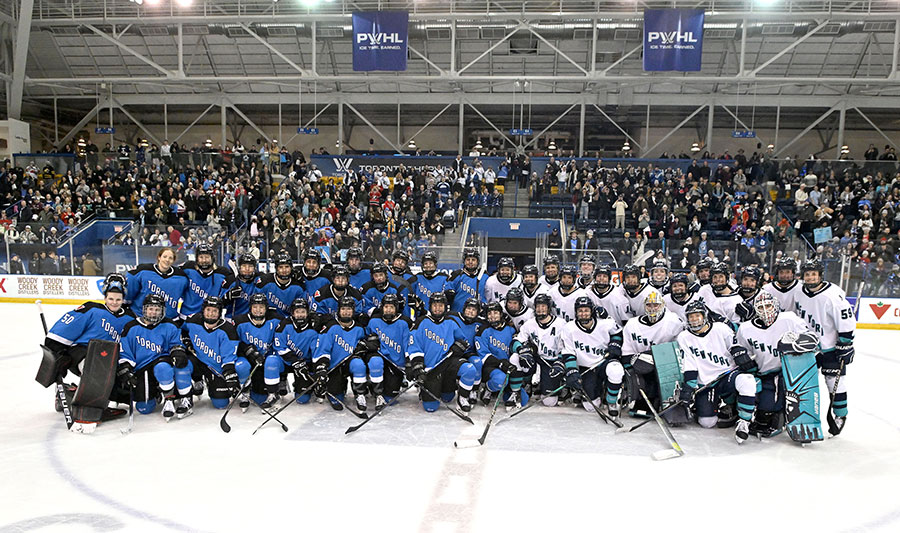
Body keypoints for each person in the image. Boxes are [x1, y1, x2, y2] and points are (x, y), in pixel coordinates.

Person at [678, 301, 759, 444]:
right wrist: (689, 387)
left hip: (727, 375)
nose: (694, 319)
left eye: (697, 315)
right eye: (691, 317)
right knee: (707, 422)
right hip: (707, 383)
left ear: (705, 316)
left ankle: (744, 421)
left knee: (747, 381)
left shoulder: (721, 329)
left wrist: (738, 351)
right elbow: (689, 363)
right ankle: (717, 404)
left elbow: (735, 344)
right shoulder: (684, 337)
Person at [792, 258, 855, 434]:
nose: (810, 278)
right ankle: (801, 416)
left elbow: (846, 320)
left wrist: (846, 343)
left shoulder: (833, 294)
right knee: (802, 384)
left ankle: (840, 414)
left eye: (814, 274)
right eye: (807, 275)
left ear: (820, 275)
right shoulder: (799, 292)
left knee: (834, 382)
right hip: (806, 347)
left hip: (829, 348)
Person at [735, 291, 811, 438]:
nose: (765, 311)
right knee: (763, 405)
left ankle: (780, 417)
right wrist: (743, 358)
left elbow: (809, 337)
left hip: (787, 372)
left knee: (775, 403)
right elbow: (740, 348)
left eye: (768, 306)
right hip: (763, 372)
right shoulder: (746, 328)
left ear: (775, 306)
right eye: (761, 308)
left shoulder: (789, 319)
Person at [116, 294, 189, 420]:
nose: (153, 312)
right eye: (151, 309)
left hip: (162, 363)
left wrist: (178, 352)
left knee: (163, 368)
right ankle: (156, 393)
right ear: (144, 309)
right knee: (144, 408)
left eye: (157, 309)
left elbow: (176, 344)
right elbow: (125, 351)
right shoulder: (131, 327)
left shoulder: (170, 325)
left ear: (163, 311)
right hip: (142, 368)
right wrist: (126, 368)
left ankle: (169, 398)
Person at [180, 297, 252, 415]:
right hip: (198, 360)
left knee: (220, 404)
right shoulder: (193, 320)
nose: (211, 313)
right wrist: (186, 339)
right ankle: (187, 398)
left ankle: (246, 389)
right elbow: (182, 330)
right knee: (182, 364)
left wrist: (231, 377)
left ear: (220, 313)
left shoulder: (228, 329)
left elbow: (228, 358)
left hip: (215, 366)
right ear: (203, 310)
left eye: (215, 311)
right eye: (208, 310)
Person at [406, 292, 476, 412]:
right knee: (430, 407)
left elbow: (464, 341)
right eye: (435, 305)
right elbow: (414, 346)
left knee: (469, 370)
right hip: (431, 369)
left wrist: (458, 346)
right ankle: (424, 391)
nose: (438, 308)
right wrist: (417, 368)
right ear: (430, 306)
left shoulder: (451, 322)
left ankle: (463, 398)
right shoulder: (421, 322)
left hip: (447, 364)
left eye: (440, 305)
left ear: (445, 307)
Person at [620, 290, 684, 417]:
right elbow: (626, 354)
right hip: (640, 363)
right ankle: (640, 402)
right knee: (640, 372)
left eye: (656, 305)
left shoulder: (674, 322)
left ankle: (664, 402)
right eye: (649, 305)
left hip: (665, 364)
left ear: (663, 305)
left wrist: (653, 355)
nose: (652, 308)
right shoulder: (632, 324)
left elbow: (678, 350)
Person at [559, 297, 624, 420]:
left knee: (616, 370)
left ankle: (611, 401)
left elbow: (617, 333)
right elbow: (568, 352)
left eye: (586, 310)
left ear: (592, 311)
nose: (583, 314)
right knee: (591, 406)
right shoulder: (569, 328)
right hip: (586, 368)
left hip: (604, 362)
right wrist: (572, 371)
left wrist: (615, 345)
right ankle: (597, 390)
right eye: (580, 311)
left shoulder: (605, 322)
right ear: (576, 312)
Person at [312, 296, 371, 411]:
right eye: (343, 309)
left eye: (349, 309)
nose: (346, 312)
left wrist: (365, 345)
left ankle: (360, 394)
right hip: (334, 367)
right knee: (337, 397)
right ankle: (339, 388)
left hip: (350, 364)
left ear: (353, 311)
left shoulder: (359, 328)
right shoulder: (330, 327)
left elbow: (367, 344)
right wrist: (322, 368)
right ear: (338, 310)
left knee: (358, 364)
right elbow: (323, 349)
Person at [511, 293, 565, 407]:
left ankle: (553, 383)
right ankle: (521, 386)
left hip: (551, 362)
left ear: (549, 308)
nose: (540, 309)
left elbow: (566, 348)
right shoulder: (530, 323)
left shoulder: (560, 324)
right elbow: (515, 341)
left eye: (543, 306)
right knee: (515, 358)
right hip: (535, 359)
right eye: (538, 306)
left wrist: (560, 361)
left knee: (549, 402)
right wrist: (521, 350)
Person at [235, 293, 284, 408]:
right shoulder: (239, 322)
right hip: (249, 361)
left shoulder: (276, 320)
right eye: (255, 307)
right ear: (250, 308)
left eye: (261, 307)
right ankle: (245, 392)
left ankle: (273, 393)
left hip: (266, 362)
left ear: (266, 308)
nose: (258, 310)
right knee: (240, 365)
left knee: (271, 361)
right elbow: (232, 341)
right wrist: (246, 349)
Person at [365, 294, 413, 408]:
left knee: (390, 399)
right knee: (375, 362)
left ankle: (384, 389)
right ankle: (377, 393)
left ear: (396, 308)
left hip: (396, 364)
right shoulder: (374, 321)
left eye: (391, 307)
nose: (388, 310)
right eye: (386, 307)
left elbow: (409, 344)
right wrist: (369, 342)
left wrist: (409, 362)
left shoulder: (404, 322)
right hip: (379, 357)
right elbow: (365, 338)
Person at [273, 299, 321, 405]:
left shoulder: (313, 328)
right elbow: (279, 346)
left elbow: (315, 351)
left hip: (303, 364)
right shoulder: (284, 324)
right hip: (286, 361)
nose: (300, 315)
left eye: (303, 312)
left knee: (302, 399)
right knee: (271, 362)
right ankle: (274, 390)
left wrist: (314, 371)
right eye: (297, 312)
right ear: (293, 313)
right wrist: (295, 360)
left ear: (307, 313)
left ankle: (302, 384)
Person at [475, 302, 522, 406]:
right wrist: (501, 363)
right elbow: (484, 355)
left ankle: (510, 391)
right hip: (491, 367)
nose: (492, 316)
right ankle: (488, 389)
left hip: (508, 366)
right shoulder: (483, 331)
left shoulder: (511, 329)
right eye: (489, 313)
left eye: (495, 313)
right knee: (500, 380)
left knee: (523, 399)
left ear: (501, 314)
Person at [125, 247, 189, 320]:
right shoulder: (143, 270)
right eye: (164, 257)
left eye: (170, 258)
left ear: (173, 261)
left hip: (168, 320)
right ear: (159, 257)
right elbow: (131, 287)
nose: (167, 260)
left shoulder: (181, 277)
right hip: (141, 317)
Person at [179, 243, 236, 320]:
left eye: (207, 257)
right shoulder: (187, 268)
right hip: (186, 318)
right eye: (201, 257)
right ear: (196, 259)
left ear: (212, 258)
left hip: (211, 319)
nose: (204, 260)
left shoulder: (223, 273)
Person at [256, 251, 305, 317]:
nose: (284, 270)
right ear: (276, 268)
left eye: (287, 267)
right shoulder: (265, 281)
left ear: (291, 268)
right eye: (281, 267)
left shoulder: (298, 286)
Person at [447, 248, 487, 314]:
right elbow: (447, 291)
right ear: (464, 261)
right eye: (468, 260)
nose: (470, 262)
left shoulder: (485, 276)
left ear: (477, 262)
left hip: (478, 316)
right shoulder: (456, 275)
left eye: (473, 260)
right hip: (457, 315)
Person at [227, 253, 262, 317]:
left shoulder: (260, 280)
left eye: (250, 266)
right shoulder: (231, 281)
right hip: (233, 319)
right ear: (239, 267)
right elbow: (220, 304)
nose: (247, 269)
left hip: (252, 320)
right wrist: (228, 297)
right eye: (244, 266)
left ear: (255, 268)